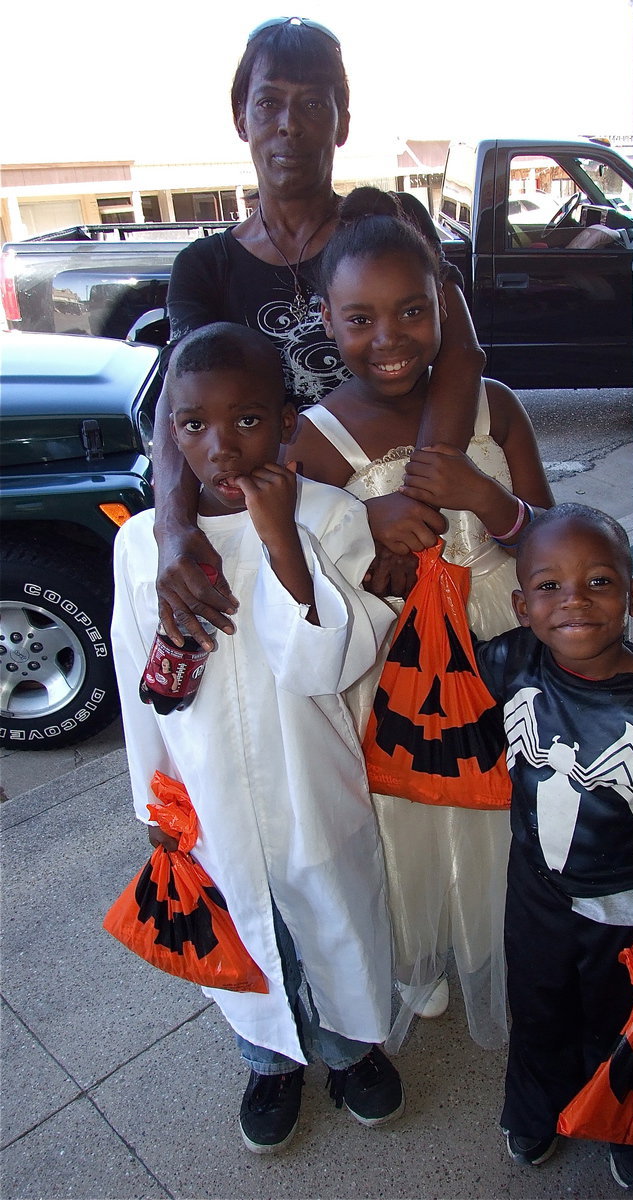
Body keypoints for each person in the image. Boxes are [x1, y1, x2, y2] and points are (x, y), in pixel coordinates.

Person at [110, 322, 404, 1155]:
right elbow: (144, 686)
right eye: (194, 424)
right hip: (205, 786)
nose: (220, 445)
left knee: (334, 903)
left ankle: (352, 1046)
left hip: (307, 768)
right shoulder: (143, 548)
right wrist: (151, 796)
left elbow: (324, 666)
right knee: (241, 920)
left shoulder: (329, 517)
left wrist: (281, 541)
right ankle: (269, 1057)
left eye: (245, 421)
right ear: (172, 432)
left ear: (285, 421)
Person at [287, 187, 555, 1050]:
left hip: (502, 648)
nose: (389, 338)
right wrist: (371, 531)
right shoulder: (317, 439)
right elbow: (308, 571)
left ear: (443, 300)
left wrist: (488, 499)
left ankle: (493, 935)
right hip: (398, 666)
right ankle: (422, 948)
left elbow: (552, 538)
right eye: (360, 318)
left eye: (410, 310)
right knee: (403, 813)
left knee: (499, 807)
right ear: (326, 318)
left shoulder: (497, 406)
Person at [153, 16, 485, 648]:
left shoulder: (389, 227)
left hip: (407, 510)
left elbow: (460, 356)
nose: (290, 124)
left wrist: (417, 506)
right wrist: (172, 528)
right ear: (241, 119)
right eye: (269, 102)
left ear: (343, 121)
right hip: (283, 528)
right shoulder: (206, 268)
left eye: (313, 104)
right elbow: (181, 401)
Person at [474, 504, 633, 1191]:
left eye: (599, 583)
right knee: (540, 1008)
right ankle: (536, 1106)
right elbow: (440, 674)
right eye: (549, 587)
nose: (573, 601)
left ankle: (624, 1118)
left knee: (617, 1018)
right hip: (535, 896)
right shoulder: (513, 663)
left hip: (625, 906)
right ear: (522, 605)